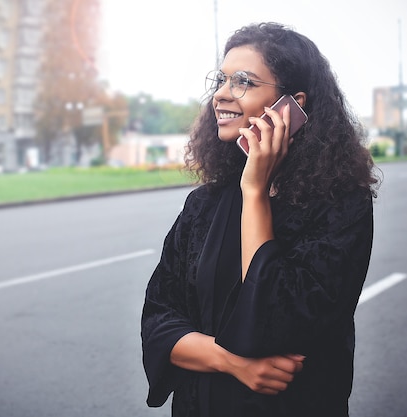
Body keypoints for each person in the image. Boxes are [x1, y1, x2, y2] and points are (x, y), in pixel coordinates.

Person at [141, 22, 380, 417]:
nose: (220, 94)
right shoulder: (204, 205)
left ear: (293, 106)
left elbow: (278, 320)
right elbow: (158, 321)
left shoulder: (340, 206)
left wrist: (254, 192)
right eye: (221, 80)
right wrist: (231, 362)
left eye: (243, 82)